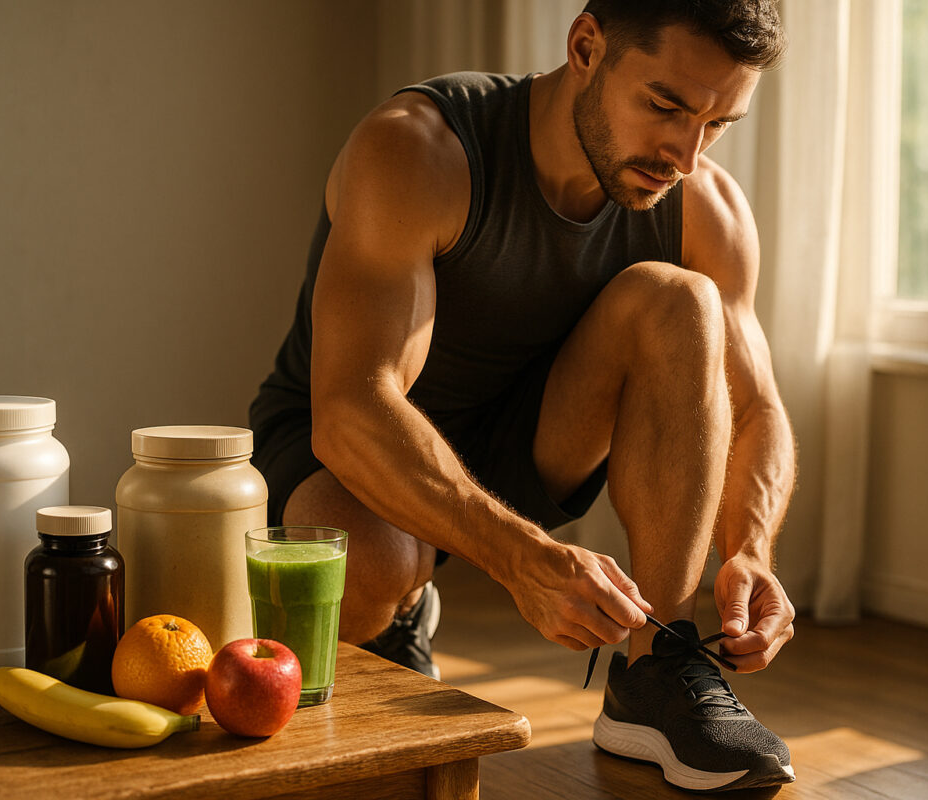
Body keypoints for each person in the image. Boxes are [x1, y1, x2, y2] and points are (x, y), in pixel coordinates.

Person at [250, 0, 797, 791]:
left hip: (526, 443)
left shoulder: (705, 206)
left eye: (717, 124)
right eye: (665, 106)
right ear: (585, 46)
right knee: (371, 564)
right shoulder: (419, 149)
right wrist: (522, 560)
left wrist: (750, 549)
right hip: (345, 450)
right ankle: (399, 613)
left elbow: (755, 409)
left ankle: (658, 674)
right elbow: (352, 408)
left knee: (682, 301)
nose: (684, 152)